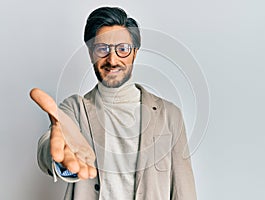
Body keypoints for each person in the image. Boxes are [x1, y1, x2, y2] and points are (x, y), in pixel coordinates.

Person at [37, 6, 197, 200]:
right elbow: (50, 144)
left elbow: (183, 189)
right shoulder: (75, 109)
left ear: (134, 53)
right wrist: (60, 157)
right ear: (90, 53)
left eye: (122, 49)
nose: (112, 60)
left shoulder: (169, 114)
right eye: (102, 49)